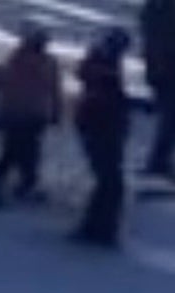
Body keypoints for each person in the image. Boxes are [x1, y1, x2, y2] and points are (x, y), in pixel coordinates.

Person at [0, 20, 63, 207]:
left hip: (29, 114)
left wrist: (55, 110)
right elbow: (7, 87)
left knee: (27, 151)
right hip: (21, 113)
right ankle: (1, 184)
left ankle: (24, 184)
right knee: (15, 150)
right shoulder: (25, 60)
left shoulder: (33, 60)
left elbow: (53, 90)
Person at [70, 27, 133, 247]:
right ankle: (99, 228)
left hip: (102, 129)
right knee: (111, 183)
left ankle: (99, 227)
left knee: (109, 182)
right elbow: (103, 97)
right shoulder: (102, 67)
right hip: (100, 129)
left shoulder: (105, 66)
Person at [141, 0, 175, 178]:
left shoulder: (152, 9)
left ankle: (159, 161)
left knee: (168, 119)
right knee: (169, 119)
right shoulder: (162, 9)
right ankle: (159, 162)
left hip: (160, 71)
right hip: (167, 71)